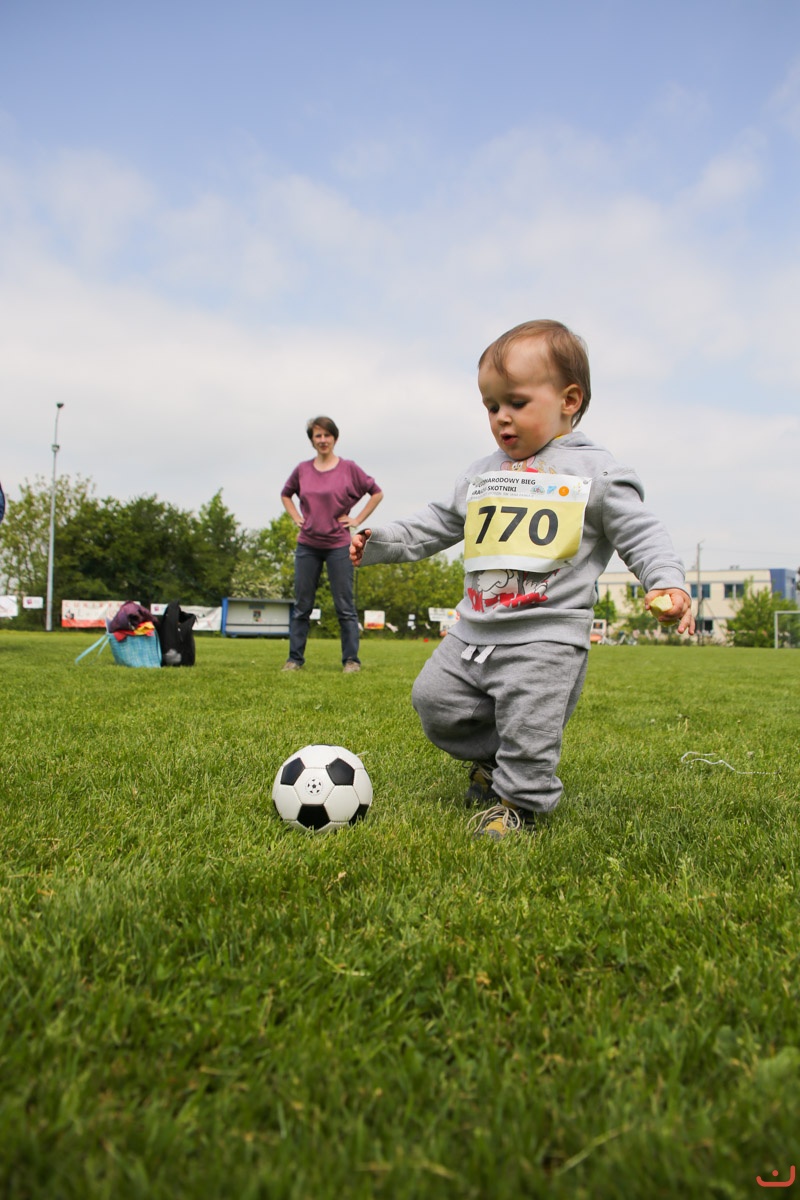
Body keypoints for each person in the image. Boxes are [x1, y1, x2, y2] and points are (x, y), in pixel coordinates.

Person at [351, 319, 695, 837]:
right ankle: (495, 762)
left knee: (530, 725)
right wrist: (379, 540)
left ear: (569, 400)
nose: (501, 418)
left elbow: (641, 532)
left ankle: (519, 805)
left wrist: (664, 579)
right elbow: (438, 522)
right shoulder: (482, 473)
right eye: (491, 406)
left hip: (545, 636)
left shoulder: (596, 473)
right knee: (435, 701)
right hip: (474, 630)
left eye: (516, 402)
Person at [281, 416, 383, 673]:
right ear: (312, 441)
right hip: (307, 545)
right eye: (318, 435)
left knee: (345, 606)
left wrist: (357, 520)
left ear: (335, 438)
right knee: (302, 606)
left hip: (338, 544)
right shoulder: (302, 470)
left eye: (327, 435)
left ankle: (351, 660)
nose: (323, 440)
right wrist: (296, 517)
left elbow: (376, 492)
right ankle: (294, 660)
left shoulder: (348, 468)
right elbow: (286, 494)